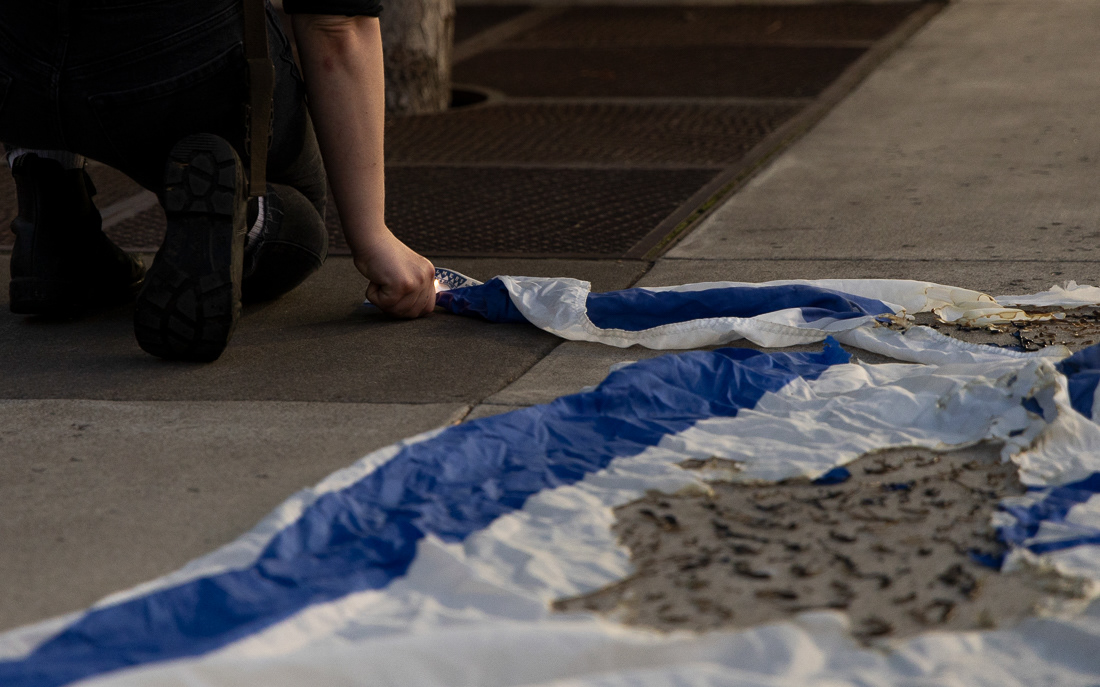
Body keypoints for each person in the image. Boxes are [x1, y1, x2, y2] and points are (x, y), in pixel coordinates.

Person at [0, 0, 436, 361]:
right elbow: (337, 24)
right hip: (171, 65)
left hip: (14, 76)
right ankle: (244, 215)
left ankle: (51, 211)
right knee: (296, 207)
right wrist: (372, 236)